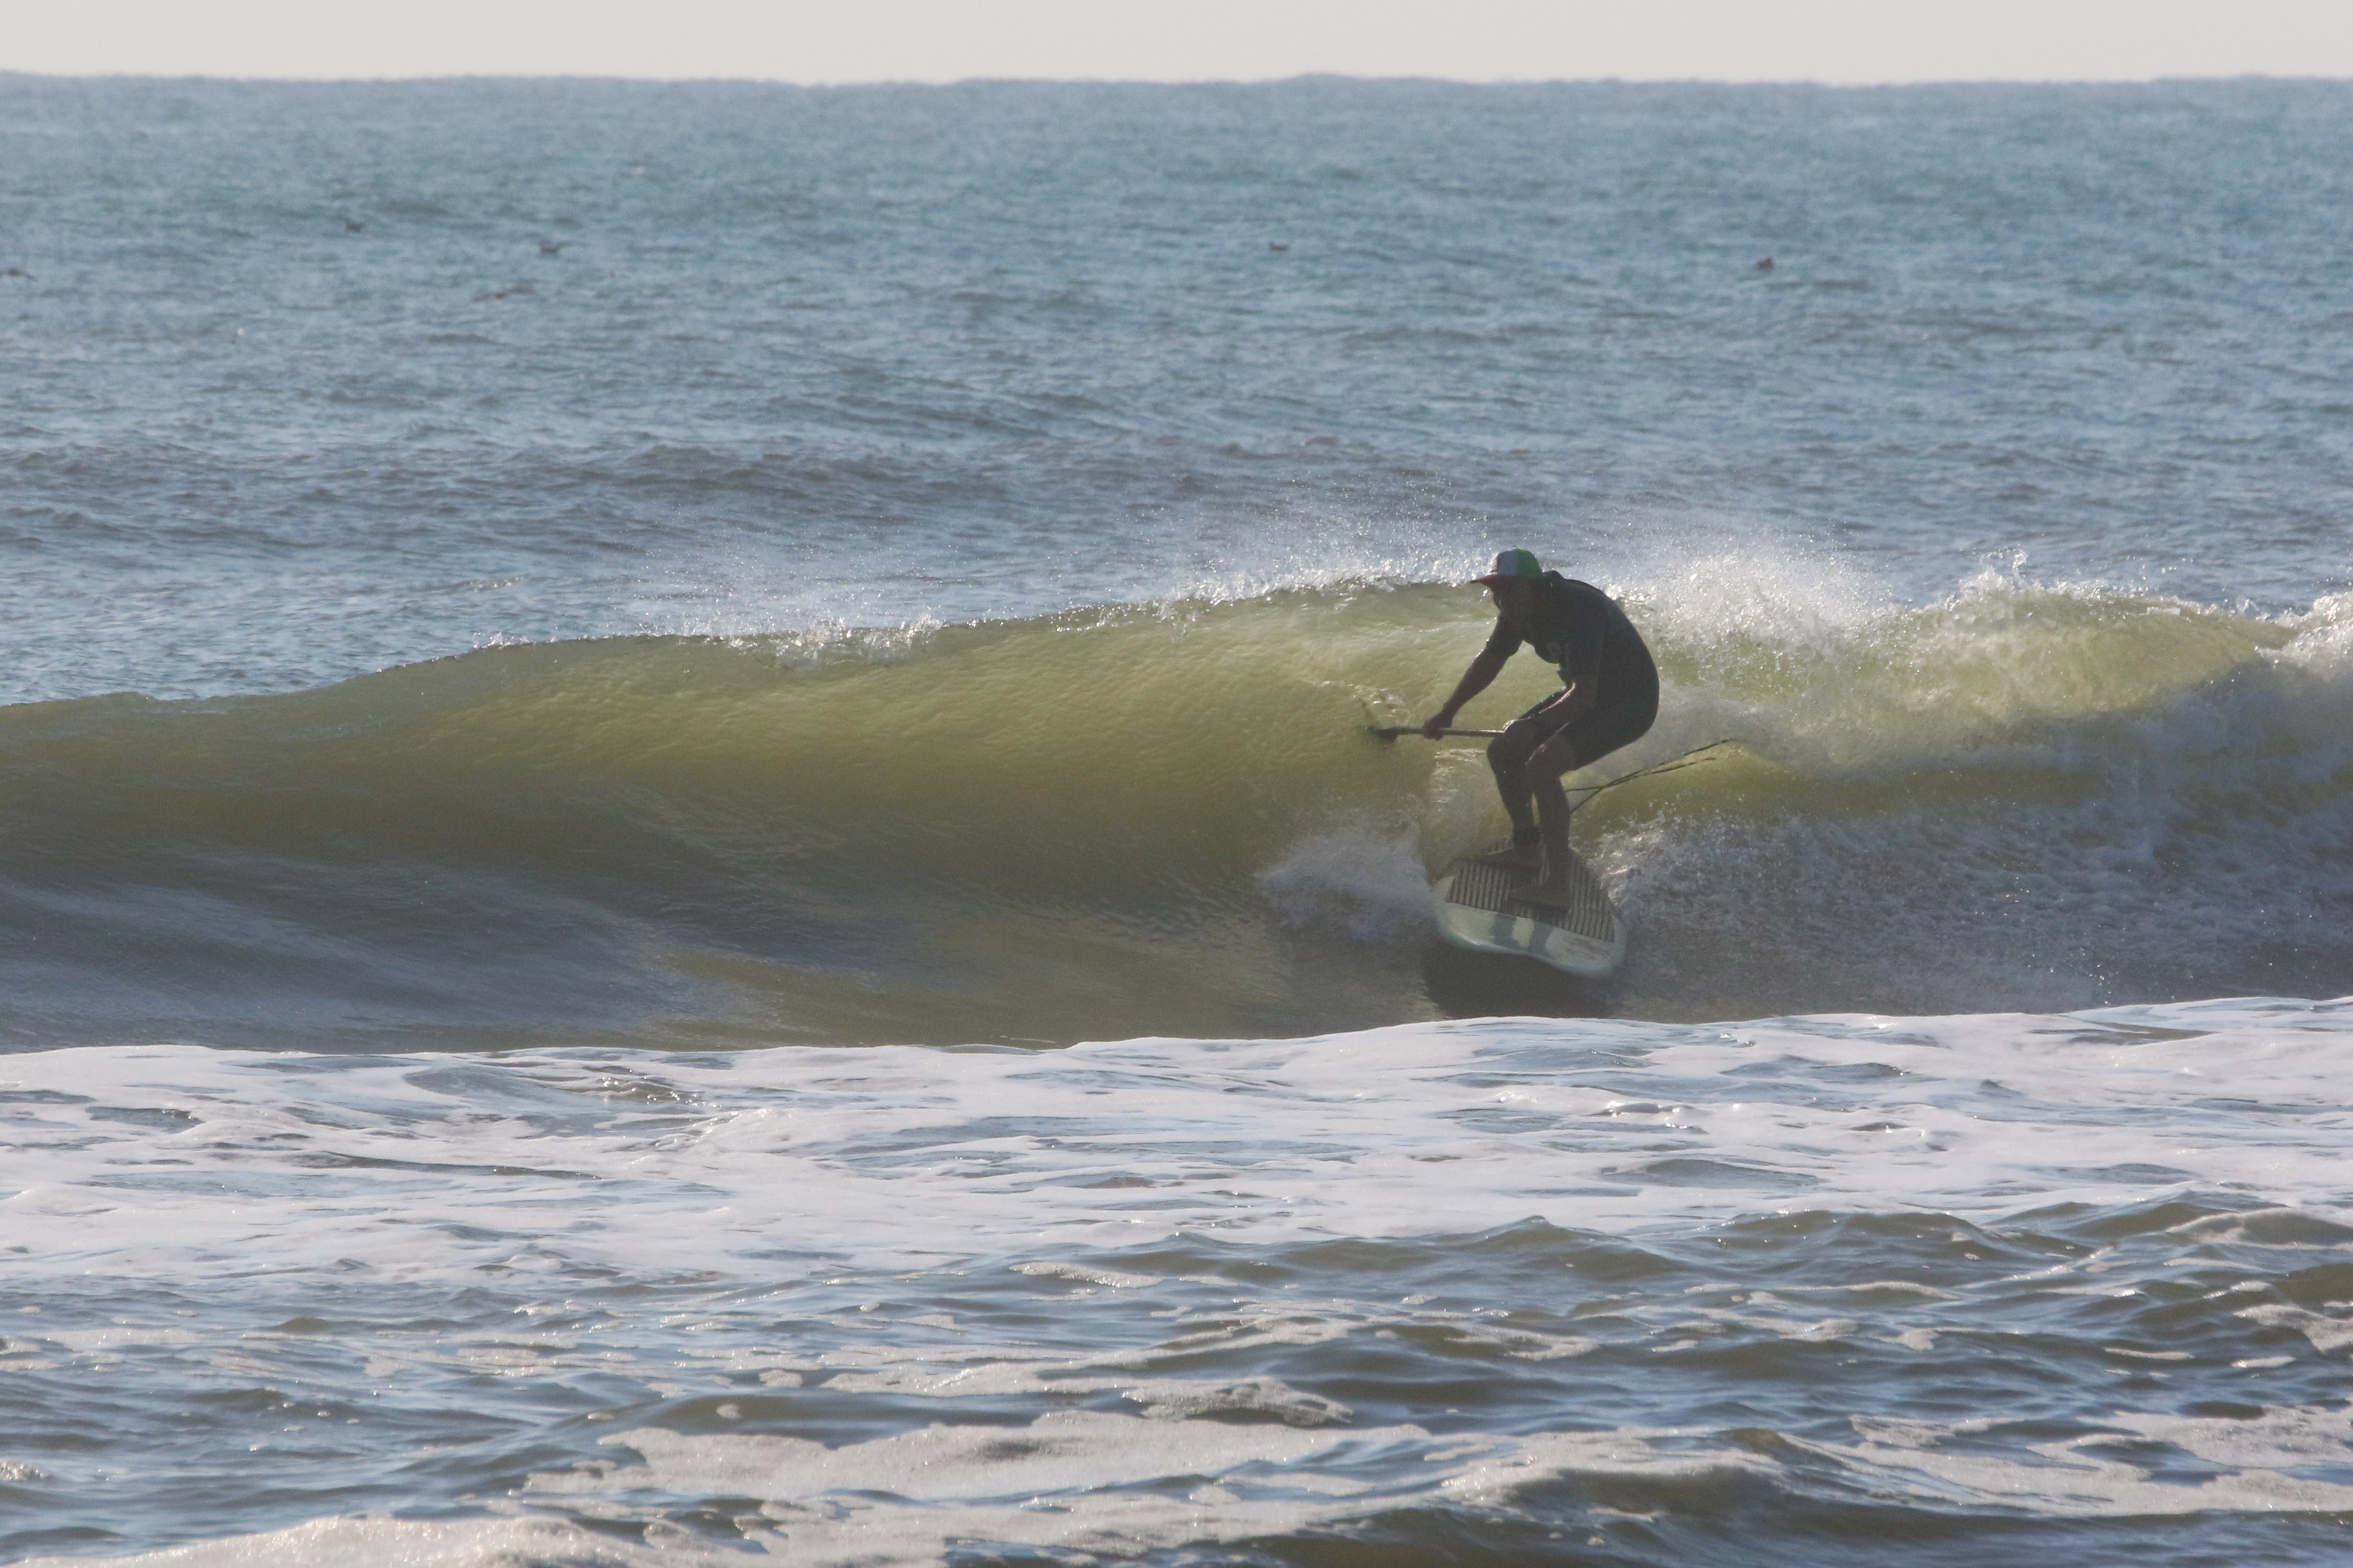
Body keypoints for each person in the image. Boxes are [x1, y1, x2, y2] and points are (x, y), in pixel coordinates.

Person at [1420, 549, 1659, 907]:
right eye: (1495, 591)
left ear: (1534, 586)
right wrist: (1448, 711)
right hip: (1587, 694)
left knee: (1543, 767)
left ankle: (1558, 888)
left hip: (1630, 702)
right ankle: (1527, 848)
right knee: (1503, 752)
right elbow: (1491, 660)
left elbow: (1585, 696)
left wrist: (1533, 725)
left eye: (1509, 590)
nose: (1501, 600)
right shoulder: (1516, 612)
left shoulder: (1578, 609)